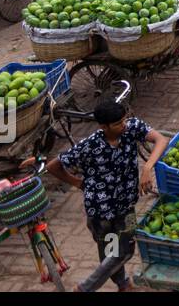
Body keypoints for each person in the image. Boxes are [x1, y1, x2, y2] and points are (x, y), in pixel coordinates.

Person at [48, 99, 168, 293]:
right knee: (113, 252)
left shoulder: (132, 128)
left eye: (124, 120)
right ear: (103, 126)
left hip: (127, 204)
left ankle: (112, 285)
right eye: (118, 124)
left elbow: (161, 140)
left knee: (126, 247)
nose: (124, 125)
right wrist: (78, 183)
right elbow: (53, 166)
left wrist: (147, 167)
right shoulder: (89, 146)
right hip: (101, 213)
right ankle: (97, 287)